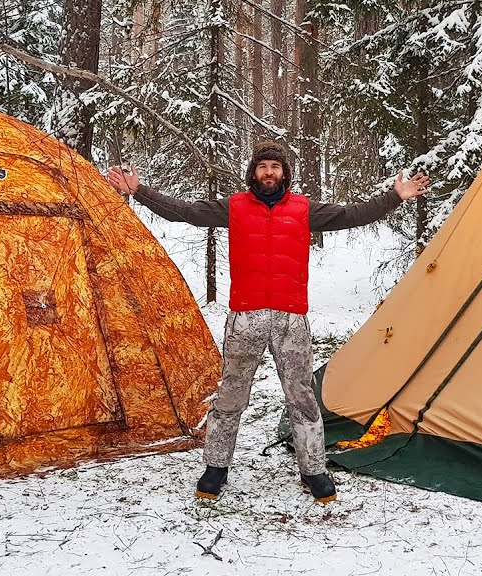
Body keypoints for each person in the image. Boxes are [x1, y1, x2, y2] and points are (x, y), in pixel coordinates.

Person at [106, 141, 428, 503]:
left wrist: (395, 197)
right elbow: (186, 212)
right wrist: (140, 191)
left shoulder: (305, 209)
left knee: (302, 398)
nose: (269, 173)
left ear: (284, 173)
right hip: (246, 317)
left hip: (291, 318)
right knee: (230, 395)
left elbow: (352, 215)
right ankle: (215, 468)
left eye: (275, 166)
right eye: (263, 167)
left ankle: (314, 471)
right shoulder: (235, 207)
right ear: (253, 172)